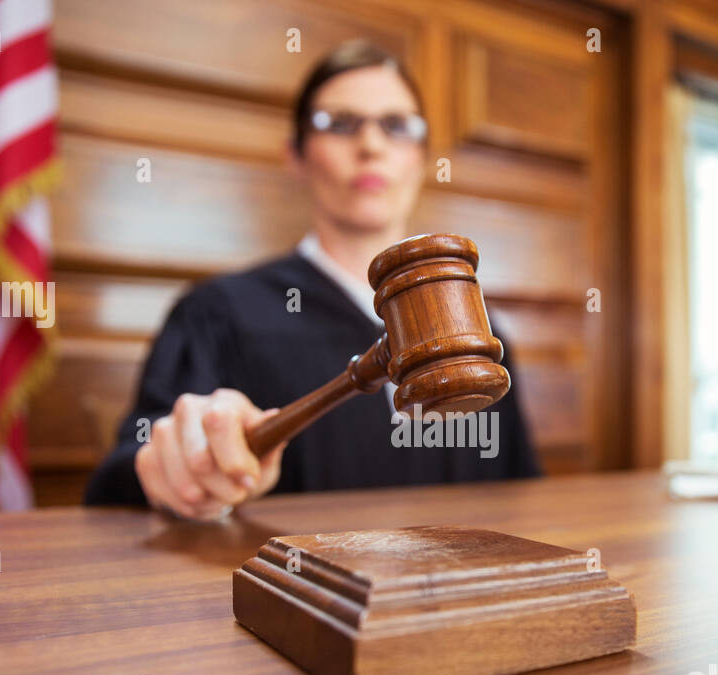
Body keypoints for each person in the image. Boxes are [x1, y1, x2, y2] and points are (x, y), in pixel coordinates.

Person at [84, 40, 541, 518]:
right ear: (296, 156)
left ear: (423, 159)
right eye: (338, 124)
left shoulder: (479, 334)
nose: (371, 145)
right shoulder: (218, 312)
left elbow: (519, 499)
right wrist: (183, 463)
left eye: (397, 126)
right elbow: (127, 477)